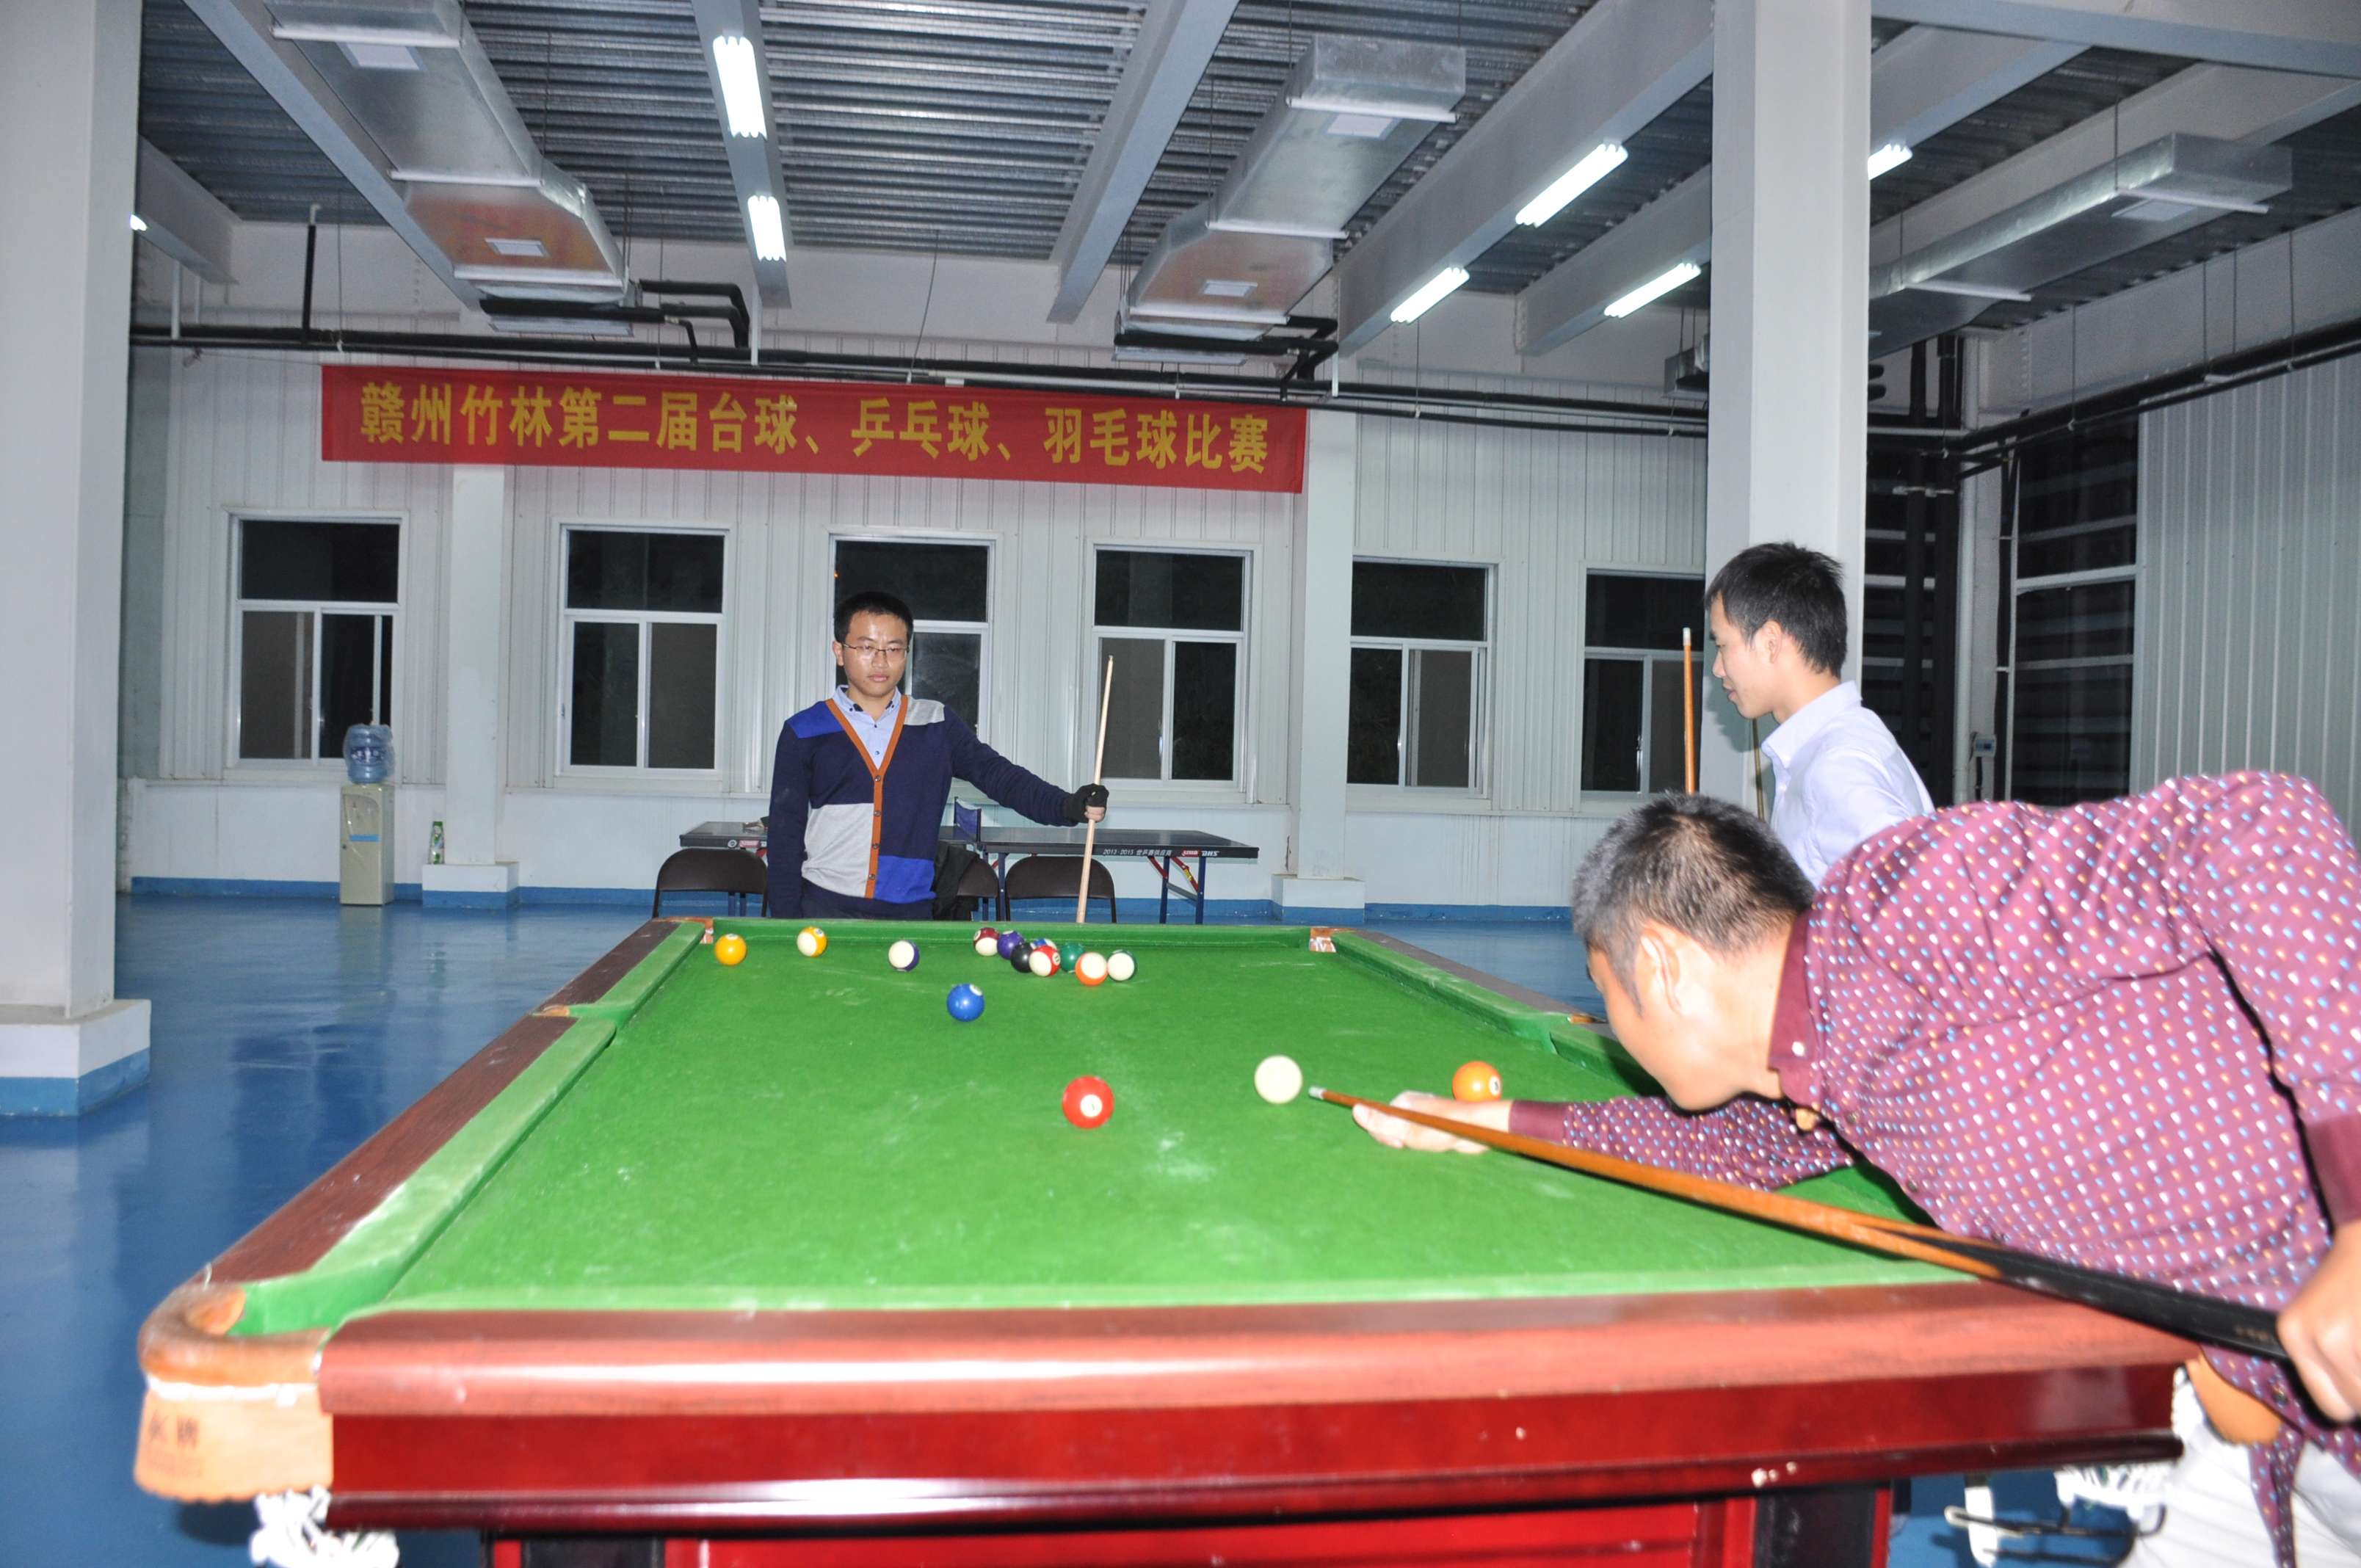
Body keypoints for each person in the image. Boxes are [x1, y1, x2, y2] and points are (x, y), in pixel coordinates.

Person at [1354, 777, 2361, 1567]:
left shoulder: (1904, 907)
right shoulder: (1830, 1065)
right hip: (2279, 1426)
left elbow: (2261, 829)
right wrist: (1501, 1122)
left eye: (1606, 992)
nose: (1616, 1029)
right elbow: (1727, 1149)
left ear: (1660, 966)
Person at [766, 590, 1106, 920]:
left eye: (894, 648)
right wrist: (786, 922)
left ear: (907, 652)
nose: (881, 661)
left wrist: (1068, 805)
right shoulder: (804, 730)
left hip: (909, 915)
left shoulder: (936, 723)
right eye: (866, 647)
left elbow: (1001, 778)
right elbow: (785, 835)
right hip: (824, 911)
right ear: (840, 651)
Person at [1705, 542, 1932, 885]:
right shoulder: (1840, 742)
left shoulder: (1835, 768)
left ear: (1770, 642)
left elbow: (1915, 897)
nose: (1718, 668)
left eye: (1723, 645)